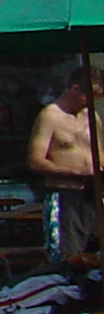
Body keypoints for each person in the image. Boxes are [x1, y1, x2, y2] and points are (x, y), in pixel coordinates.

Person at [27, 71, 98, 263]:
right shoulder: (50, 116)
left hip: (93, 195)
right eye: (90, 96)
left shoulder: (91, 116)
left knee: (96, 259)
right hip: (65, 195)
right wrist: (74, 172)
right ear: (75, 89)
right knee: (67, 259)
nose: (91, 102)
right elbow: (35, 161)